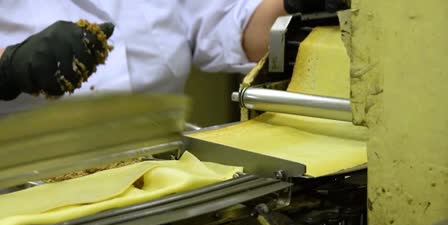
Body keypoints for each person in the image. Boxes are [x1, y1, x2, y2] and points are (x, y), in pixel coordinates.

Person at [0, 0, 346, 110]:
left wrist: (295, 5)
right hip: (22, 190)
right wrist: (8, 66)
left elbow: (226, 22)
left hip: (157, 179)